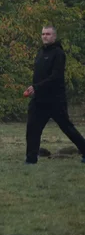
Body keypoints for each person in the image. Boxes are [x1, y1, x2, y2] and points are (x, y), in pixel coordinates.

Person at [24, 25, 85, 164]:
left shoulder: (58, 53)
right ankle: (31, 159)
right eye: (43, 34)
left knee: (67, 128)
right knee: (32, 128)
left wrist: (36, 87)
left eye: (48, 34)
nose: (45, 36)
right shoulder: (40, 53)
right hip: (39, 100)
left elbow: (56, 77)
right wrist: (35, 90)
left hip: (55, 100)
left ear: (54, 36)